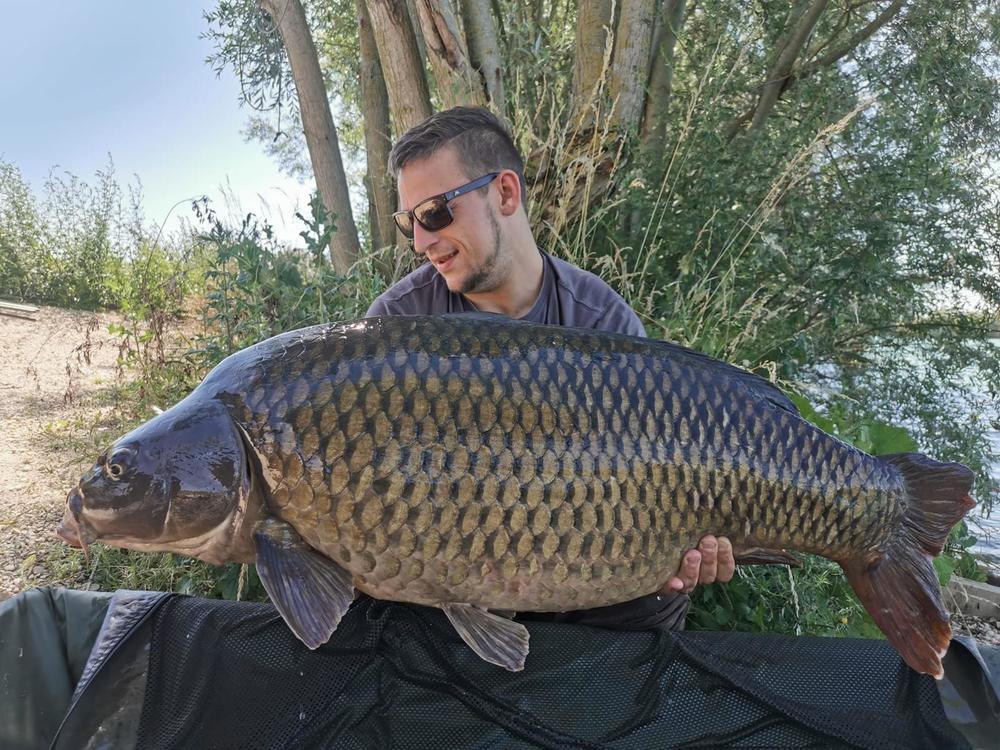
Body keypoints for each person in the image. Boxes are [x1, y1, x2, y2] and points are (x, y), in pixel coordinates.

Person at [366, 106, 734, 630]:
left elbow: (663, 460)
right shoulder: (399, 325)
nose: (422, 243)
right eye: (410, 224)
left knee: (658, 596)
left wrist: (684, 541)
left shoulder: (601, 321)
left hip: (592, 579)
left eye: (434, 213)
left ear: (506, 193)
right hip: (449, 589)